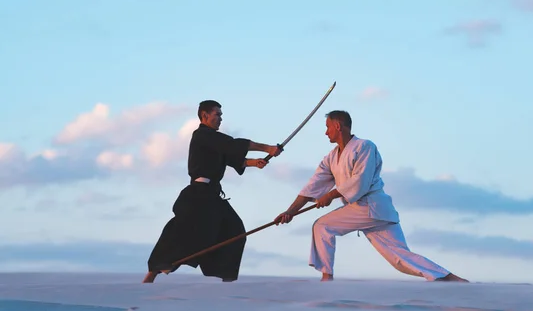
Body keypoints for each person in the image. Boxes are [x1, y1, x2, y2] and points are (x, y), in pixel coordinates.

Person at [274, 110, 468, 283]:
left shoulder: (364, 146)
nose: (326, 132)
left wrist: (331, 195)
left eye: (327, 127)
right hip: (373, 212)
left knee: (322, 226)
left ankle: (327, 279)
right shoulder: (331, 158)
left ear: (337, 126)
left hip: (369, 205)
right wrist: (289, 212)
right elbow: (312, 187)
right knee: (400, 259)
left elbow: (360, 181)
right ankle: (451, 280)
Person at [143, 99, 282, 283]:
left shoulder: (214, 141)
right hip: (198, 195)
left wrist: (254, 163)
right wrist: (267, 148)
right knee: (180, 231)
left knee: (235, 231)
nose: (220, 119)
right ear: (205, 115)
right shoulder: (202, 135)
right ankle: (152, 274)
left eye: (221, 115)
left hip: (212, 196)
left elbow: (233, 159)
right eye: (217, 115)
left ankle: (227, 280)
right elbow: (234, 144)